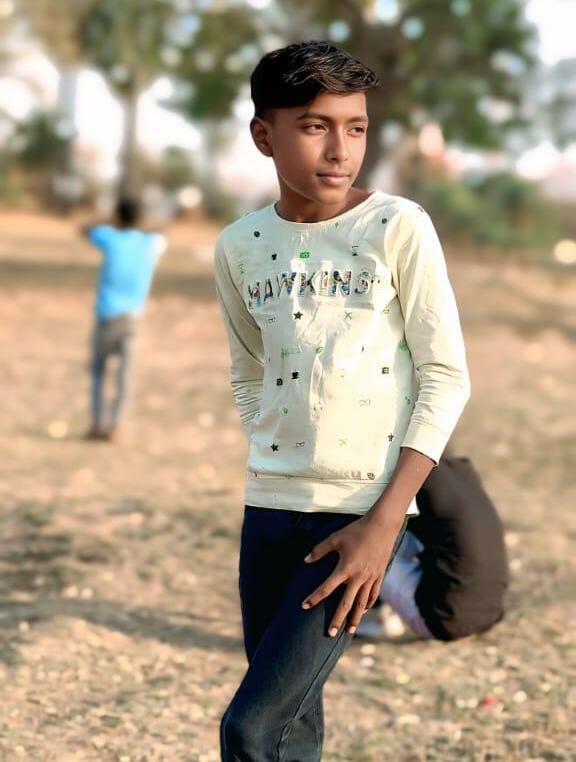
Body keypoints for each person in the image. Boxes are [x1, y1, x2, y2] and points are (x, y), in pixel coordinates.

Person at [213, 40, 471, 761]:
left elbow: (446, 375)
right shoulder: (239, 245)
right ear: (264, 134)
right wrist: (274, 449)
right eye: (314, 126)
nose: (340, 150)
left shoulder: (396, 227)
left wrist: (385, 523)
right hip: (268, 509)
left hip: (358, 514)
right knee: (291, 727)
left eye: (355, 128)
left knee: (252, 729)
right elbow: (248, 371)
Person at [355, 453, 509, 641]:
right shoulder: (462, 469)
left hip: (442, 619)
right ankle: (384, 610)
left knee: (365, 545)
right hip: (490, 612)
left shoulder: (409, 474)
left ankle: (372, 619)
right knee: (410, 537)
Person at [83, 197, 165, 442]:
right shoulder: (150, 243)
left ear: (117, 216)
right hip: (132, 318)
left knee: (98, 372)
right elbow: (162, 233)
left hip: (107, 316)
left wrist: (109, 220)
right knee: (124, 376)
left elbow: (84, 228)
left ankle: (96, 424)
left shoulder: (109, 237)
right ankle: (115, 426)